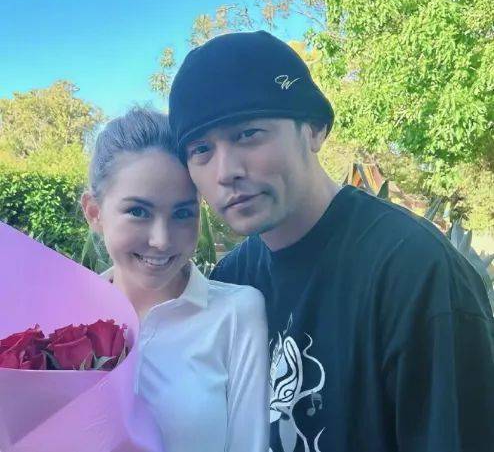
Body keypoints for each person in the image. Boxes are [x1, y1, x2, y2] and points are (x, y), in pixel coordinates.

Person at [169, 30, 494, 452]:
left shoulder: (414, 273)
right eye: (201, 150)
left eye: (248, 134)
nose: (225, 171)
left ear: (314, 129)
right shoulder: (232, 280)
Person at [81, 107, 269, 452]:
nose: (162, 240)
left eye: (183, 213)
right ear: (94, 212)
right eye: (138, 211)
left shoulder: (235, 314)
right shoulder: (64, 319)